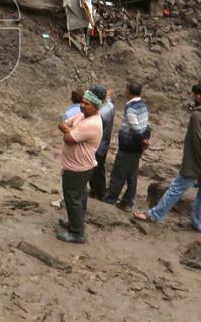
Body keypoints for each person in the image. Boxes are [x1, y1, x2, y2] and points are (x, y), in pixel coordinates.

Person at [135, 83, 201, 232]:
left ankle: (153, 215)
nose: (193, 97)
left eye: (194, 95)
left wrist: (191, 165)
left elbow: (196, 143)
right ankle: (199, 222)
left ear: (199, 96)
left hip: (196, 163)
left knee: (176, 189)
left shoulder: (197, 115)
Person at [56, 90, 104, 244]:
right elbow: (62, 124)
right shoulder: (82, 116)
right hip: (79, 166)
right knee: (80, 196)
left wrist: (70, 132)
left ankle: (76, 233)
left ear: (96, 107)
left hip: (78, 168)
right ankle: (75, 221)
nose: (82, 105)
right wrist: (71, 131)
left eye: (86, 104)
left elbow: (68, 139)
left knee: (72, 199)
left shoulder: (92, 123)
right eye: (82, 102)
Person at [103, 81, 151, 209]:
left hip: (128, 147)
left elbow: (135, 128)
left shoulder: (131, 108)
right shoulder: (143, 105)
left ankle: (110, 199)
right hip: (137, 148)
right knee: (132, 174)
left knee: (118, 174)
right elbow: (147, 125)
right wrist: (145, 140)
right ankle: (127, 201)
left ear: (128, 92)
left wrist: (142, 141)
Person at [87, 85, 114, 200]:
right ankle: (95, 191)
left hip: (97, 145)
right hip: (104, 143)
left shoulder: (100, 113)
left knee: (96, 171)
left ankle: (100, 193)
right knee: (98, 170)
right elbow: (107, 99)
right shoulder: (109, 106)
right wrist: (107, 96)